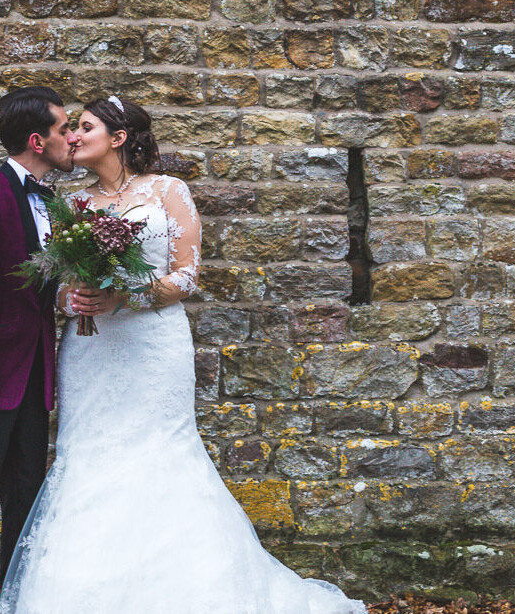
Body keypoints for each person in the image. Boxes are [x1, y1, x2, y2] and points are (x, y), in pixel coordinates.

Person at [0, 96, 366, 614]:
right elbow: (57, 286)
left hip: (152, 348)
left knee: (160, 454)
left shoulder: (169, 192)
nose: (74, 137)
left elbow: (187, 276)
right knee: (87, 460)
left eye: (84, 127)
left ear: (119, 137)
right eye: (70, 129)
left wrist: (126, 295)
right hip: (90, 351)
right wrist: (72, 298)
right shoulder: (70, 204)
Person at [0, 87, 77, 587]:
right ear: (37, 140)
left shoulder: (52, 201)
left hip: (33, 370)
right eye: (64, 129)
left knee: (25, 485)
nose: (72, 138)